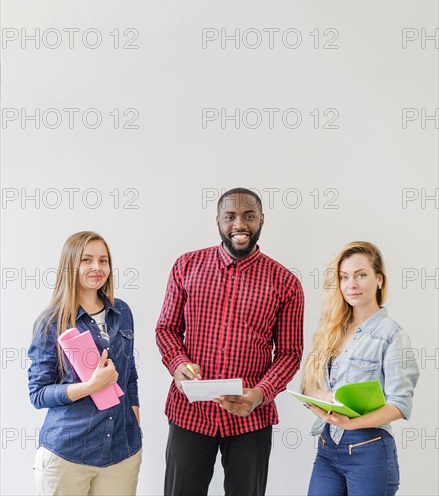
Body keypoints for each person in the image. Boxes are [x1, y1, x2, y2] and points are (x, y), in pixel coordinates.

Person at [156, 187, 304, 496]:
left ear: (261, 219)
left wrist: (260, 394)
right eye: (230, 217)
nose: (239, 224)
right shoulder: (187, 266)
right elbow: (167, 328)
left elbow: (290, 353)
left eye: (248, 216)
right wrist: (178, 364)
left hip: (251, 419)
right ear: (218, 221)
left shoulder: (285, 283)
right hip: (191, 412)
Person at [301, 241, 419, 496]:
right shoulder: (330, 330)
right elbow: (309, 385)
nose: (351, 284)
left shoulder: (393, 335)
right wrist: (324, 397)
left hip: (369, 451)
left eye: (361, 275)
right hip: (327, 448)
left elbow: (400, 405)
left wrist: (351, 424)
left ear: (379, 279)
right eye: (344, 277)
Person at [28, 231, 142, 496]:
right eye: (87, 260)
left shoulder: (122, 312)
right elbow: (38, 394)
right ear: (71, 265)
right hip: (67, 455)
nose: (97, 267)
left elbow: (130, 374)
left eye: (103, 260)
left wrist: (134, 418)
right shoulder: (51, 322)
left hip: (121, 454)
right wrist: (91, 386)